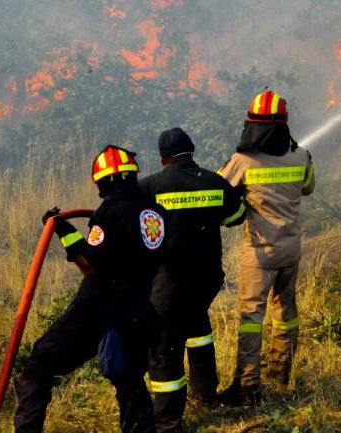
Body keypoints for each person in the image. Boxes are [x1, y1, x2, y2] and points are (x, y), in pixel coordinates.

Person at [13, 145, 167, 433]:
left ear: (103, 182)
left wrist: (64, 231)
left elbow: (92, 265)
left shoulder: (109, 213)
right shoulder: (155, 213)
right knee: (130, 381)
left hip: (96, 310)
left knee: (37, 366)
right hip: (137, 310)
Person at [139, 127, 245, 432]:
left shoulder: (150, 187)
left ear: (162, 159)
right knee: (198, 329)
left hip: (169, 284)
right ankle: (206, 394)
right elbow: (235, 216)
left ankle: (168, 422)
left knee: (163, 347)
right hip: (206, 280)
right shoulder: (214, 181)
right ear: (193, 150)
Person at [216, 89, 315, 406]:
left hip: (259, 255)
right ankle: (279, 374)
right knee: (286, 313)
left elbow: (218, 190)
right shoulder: (301, 156)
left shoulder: (242, 161)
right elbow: (308, 188)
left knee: (250, 318)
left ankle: (246, 388)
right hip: (291, 251)